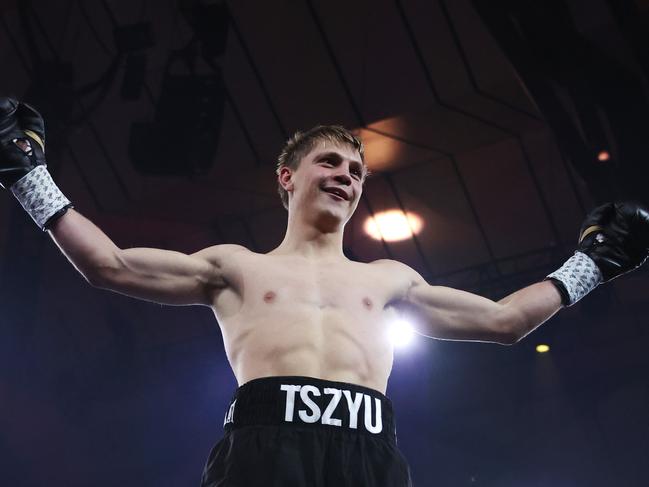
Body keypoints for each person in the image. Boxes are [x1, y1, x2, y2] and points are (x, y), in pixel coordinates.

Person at [1, 97, 648, 486]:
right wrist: (28, 175)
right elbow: (108, 263)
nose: (347, 176)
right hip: (264, 448)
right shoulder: (237, 266)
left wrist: (592, 262)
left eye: (358, 171)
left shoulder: (388, 277)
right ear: (287, 176)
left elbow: (505, 319)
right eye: (331, 162)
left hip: (365, 451)